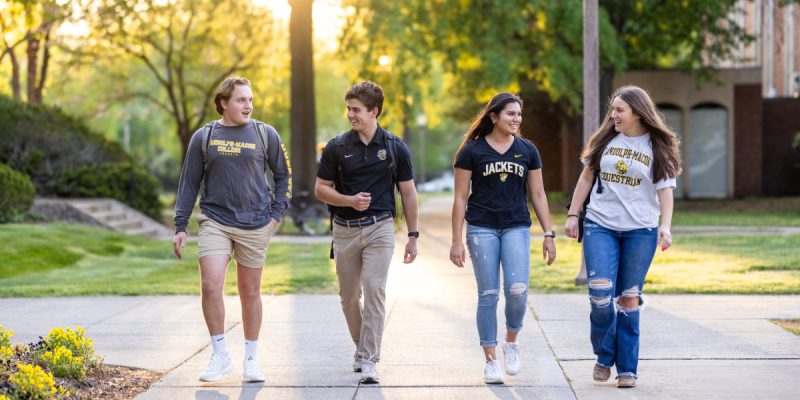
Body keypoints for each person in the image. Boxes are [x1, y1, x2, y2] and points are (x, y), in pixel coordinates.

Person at [172, 76, 292, 383]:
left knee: (249, 291)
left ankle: (251, 358)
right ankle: (220, 354)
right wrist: (181, 225)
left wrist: (275, 217)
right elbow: (189, 182)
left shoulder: (266, 134)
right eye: (241, 100)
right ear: (224, 102)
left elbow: (283, 177)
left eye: (250, 100)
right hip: (215, 220)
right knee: (211, 286)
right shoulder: (205, 136)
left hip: (256, 223)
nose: (248, 105)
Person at [565, 85, 681, 388]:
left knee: (628, 298)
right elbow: (586, 177)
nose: (613, 115)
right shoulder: (605, 141)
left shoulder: (656, 147)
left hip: (640, 231)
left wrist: (665, 226)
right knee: (600, 298)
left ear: (637, 113)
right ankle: (605, 356)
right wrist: (573, 214)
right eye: (612, 109)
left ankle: (627, 368)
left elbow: (665, 191)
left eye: (619, 110)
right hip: (599, 225)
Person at [314, 80, 419, 384]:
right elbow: (320, 189)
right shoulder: (336, 147)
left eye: (356, 109)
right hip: (344, 231)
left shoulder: (394, 147)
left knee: (374, 290)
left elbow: (409, 194)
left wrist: (413, 235)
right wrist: (348, 201)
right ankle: (363, 349)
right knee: (349, 298)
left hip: (380, 230)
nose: (350, 114)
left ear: (374, 111)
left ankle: (369, 358)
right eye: (348, 109)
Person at [449, 92, 556, 384]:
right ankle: (491, 360)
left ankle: (511, 341)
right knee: (487, 294)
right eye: (511, 114)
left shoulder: (528, 150)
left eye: (519, 115)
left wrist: (549, 233)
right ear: (493, 117)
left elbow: (538, 194)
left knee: (518, 290)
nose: (516, 119)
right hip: (481, 228)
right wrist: (456, 240)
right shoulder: (471, 151)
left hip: (516, 227)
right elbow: (460, 197)